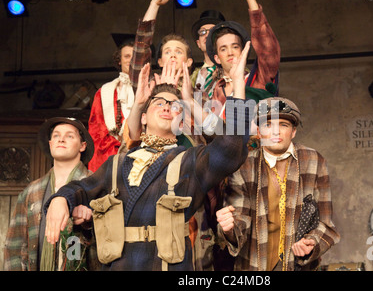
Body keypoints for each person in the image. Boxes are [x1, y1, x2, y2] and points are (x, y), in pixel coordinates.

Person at [43, 41, 254, 271]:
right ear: (143, 118)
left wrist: (238, 90)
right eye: (159, 102)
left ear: (181, 122)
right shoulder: (117, 164)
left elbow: (232, 147)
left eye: (174, 106)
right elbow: (81, 188)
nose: (166, 107)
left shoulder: (191, 161)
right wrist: (59, 199)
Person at [216, 97, 340, 271]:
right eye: (268, 125)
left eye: (283, 124)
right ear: (258, 132)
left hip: (299, 266)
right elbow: (240, 218)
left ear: (294, 131)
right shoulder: (243, 166)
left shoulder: (314, 160)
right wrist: (229, 230)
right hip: (253, 267)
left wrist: (312, 242)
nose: (276, 132)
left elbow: (325, 223)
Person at [4, 117, 99, 271]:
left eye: (69, 136)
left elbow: (112, 244)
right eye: (56, 135)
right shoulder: (31, 191)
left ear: (82, 146)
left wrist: (90, 224)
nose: (61, 139)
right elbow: (14, 246)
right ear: (50, 144)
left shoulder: (96, 185)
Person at [204, 0, 281, 118]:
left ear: (243, 51)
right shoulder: (214, 91)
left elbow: (267, 50)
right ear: (217, 58)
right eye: (223, 49)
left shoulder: (258, 79)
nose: (230, 52)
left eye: (235, 46)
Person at [88, 36, 135, 171]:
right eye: (127, 56)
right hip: (111, 158)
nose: (131, 60)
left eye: (135, 56)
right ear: (119, 60)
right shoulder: (105, 92)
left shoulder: (151, 88)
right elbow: (97, 130)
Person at [190, 10, 226, 93]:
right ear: (198, 43)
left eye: (213, 31)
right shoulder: (193, 77)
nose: (207, 35)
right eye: (202, 32)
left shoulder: (236, 69)